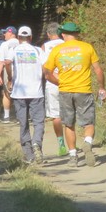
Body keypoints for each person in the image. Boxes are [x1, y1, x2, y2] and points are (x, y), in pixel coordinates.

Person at [43, 21, 106, 168]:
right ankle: (87, 142)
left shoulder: (57, 50)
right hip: (84, 90)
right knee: (89, 123)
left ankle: (73, 157)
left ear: (63, 34)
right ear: (77, 34)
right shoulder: (87, 47)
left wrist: (59, 82)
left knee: (69, 124)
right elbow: (98, 70)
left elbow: (47, 73)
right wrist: (102, 87)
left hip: (65, 91)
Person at [2, 26, 46, 164]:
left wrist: (10, 77)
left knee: (24, 123)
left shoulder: (14, 50)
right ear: (31, 37)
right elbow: (46, 67)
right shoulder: (38, 51)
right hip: (36, 92)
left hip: (19, 92)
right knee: (38, 122)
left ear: (19, 38)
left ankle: (29, 155)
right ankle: (37, 143)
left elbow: (7, 63)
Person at [40, 22, 66, 156]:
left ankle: (61, 144)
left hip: (52, 83)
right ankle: (72, 143)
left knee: (56, 116)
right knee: (69, 113)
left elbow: (44, 67)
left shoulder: (45, 46)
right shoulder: (66, 43)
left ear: (48, 34)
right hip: (68, 81)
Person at [0, 26, 18, 122]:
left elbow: (1, 61)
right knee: (20, 93)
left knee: (6, 93)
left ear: (10, 33)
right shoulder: (21, 42)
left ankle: (7, 116)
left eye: (5, 32)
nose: (4, 35)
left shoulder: (4, 44)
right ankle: (20, 116)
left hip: (9, 71)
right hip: (21, 71)